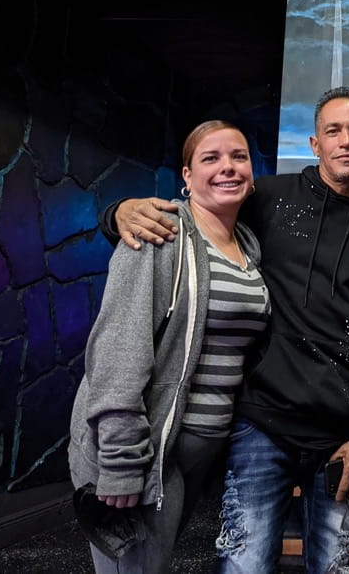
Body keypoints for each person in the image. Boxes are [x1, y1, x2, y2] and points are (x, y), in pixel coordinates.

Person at [103, 88, 349, 574]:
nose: (346, 141)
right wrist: (118, 212)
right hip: (260, 425)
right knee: (245, 564)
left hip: (347, 435)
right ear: (315, 144)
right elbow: (199, 210)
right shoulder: (270, 198)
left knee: (330, 567)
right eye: (333, 131)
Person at [70, 121, 269, 573]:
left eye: (238, 156)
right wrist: (121, 460)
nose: (227, 167)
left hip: (198, 450)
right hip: (145, 449)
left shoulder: (247, 246)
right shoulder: (160, 234)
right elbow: (119, 349)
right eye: (211, 158)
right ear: (187, 175)